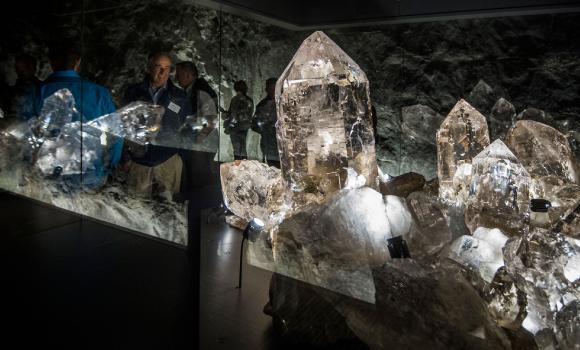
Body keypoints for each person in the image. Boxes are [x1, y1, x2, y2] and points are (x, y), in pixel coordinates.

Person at [33, 43, 122, 189]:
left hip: (48, 177)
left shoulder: (38, 92)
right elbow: (116, 136)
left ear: (51, 62)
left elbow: (24, 134)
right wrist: (107, 167)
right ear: (78, 62)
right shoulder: (100, 93)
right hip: (90, 175)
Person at [122, 51, 192, 200]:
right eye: (158, 67)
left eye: (167, 68)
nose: (163, 72)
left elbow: (188, 127)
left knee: (166, 211)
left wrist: (181, 157)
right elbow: (124, 125)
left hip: (168, 161)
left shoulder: (179, 96)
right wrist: (126, 156)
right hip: (139, 161)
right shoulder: (133, 92)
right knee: (135, 209)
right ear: (149, 68)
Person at [175, 61, 220, 194]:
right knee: (195, 179)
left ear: (188, 75)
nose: (176, 78)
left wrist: (197, 142)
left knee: (201, 180)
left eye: (179, 74)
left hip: (201, 145)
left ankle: (204, 209)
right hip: (195, 143)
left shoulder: (201, 91)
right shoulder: (192, 90)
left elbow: (210, 120)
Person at [252, 77, 279, 168]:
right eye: (271, 88)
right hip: (269, 144)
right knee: (273, 167)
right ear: (266, 89)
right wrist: (267, 129)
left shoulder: (285, 102)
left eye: (274, 88)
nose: (273, 90)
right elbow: (254, 125)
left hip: (282, 143)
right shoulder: (262, 105)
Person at [224, 80, 253, 160]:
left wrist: (229, 123)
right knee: (241, 148)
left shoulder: (236, 99)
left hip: (237, 127)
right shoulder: (248, 100)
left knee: (238, 149)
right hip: (243, 127)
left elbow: (233, 114)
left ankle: (239, 166)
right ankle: (242, 166)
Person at [8, 54, 41, 121]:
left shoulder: (43, 88)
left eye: (26, 67)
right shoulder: (11, 92)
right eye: (18, 68)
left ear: (34, 68)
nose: (22, 71)